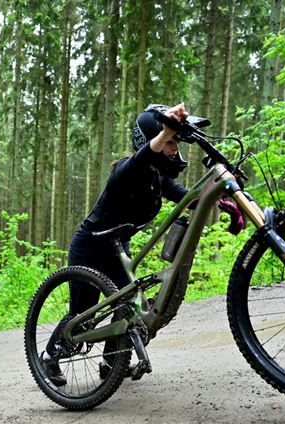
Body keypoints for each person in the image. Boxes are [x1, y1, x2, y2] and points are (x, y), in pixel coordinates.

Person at [42, 103, 241, 386]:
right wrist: (165, 132)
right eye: (170, 142)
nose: (174, 149)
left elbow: (191, 199)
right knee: (83, 315)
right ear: (152, 140)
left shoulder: (158, 180)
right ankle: (49, 357)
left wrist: (222, 199)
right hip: (90, 248)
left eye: (175, 143)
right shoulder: (127, 169)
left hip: (116, 248)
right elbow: (143, 157)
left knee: (129, 305)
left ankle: (112, 361)